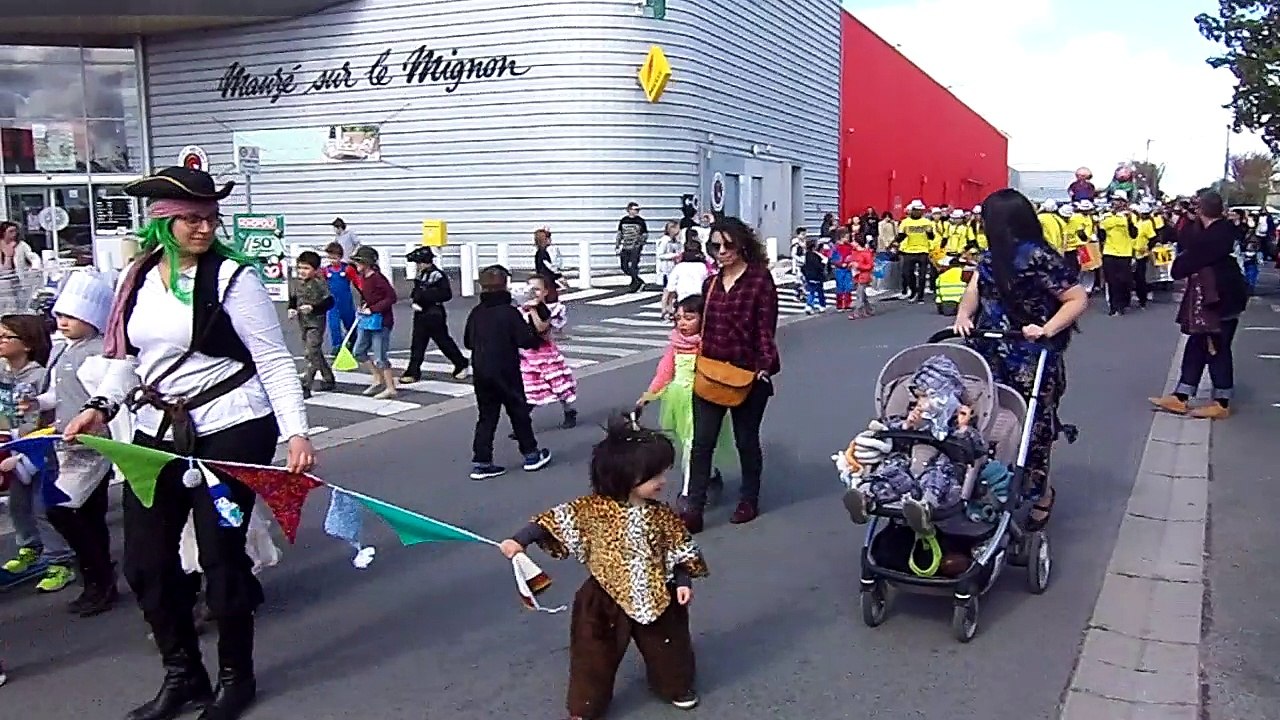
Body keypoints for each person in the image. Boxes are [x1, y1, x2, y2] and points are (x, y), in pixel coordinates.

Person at [62, 166, 316, 720]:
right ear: (161, 222)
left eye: (209, 218)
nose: (204, 228)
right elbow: (127, 362)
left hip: (233, 427)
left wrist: (296, 430)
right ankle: (183, 676)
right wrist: (99, 407)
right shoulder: (137, 277)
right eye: (190, 219)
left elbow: (272, 359)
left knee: (222, 557)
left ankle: (235, 678)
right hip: (156, 433)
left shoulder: (233, 278)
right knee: (146, 564)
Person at [498, 416, 708, 719]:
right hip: (604, 593)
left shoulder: (663, 515)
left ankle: (675, 685)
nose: (662, 481)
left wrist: (684, 579)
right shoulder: (591, 510)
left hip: (657, 591)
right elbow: (551, 522)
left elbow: (679, 549)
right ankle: (587, 703)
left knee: (669, 645)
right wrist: (519, 541)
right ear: (623, 477)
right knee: (593, 652)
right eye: (653, 476)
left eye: (663, 472)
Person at [953, 188, 1088, 531]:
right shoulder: (989, 257)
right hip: (991, 351)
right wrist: (964, 316)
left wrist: (1045, 328)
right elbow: (974, 290)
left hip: (1032, 356)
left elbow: (1076, 298)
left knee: (1034, 426)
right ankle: (991, 485)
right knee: (986, 421)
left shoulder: (1039, 256)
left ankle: (1040, 493)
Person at [680, 217, 780, 533]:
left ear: (741, 244)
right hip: (710, 370)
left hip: (747, 374)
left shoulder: (759, 280)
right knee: (701, 443)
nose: (721, 252)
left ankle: (748, 499)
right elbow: (704, 326)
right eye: (715, 246)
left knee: (746, 441)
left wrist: (763, 368)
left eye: (728, 245)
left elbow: (766, 328)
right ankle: (693, 509)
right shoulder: (709, 284)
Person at [37, 271, 121, 615]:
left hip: (94, 447)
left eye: (72, 316)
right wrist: (39, 403)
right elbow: (61, 394)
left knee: (62, 510)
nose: (63, 322)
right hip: (66, 444)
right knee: (88, 516)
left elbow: (109, 396)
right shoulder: (64, 351)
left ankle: (98, 575)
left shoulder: (102, 353)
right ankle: (99, 579)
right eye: (60, 316)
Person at [1149, 190, 1249, 420]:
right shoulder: (1223, 230)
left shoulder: (1214, 237)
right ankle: (1182, 395)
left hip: (1218, 298)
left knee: (1217, 346)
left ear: (1201, 209)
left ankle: (1221, 401)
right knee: (1197, 344)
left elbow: (1182, 265)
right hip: (1225, 294)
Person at [0, 313, 74, 593]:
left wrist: (20, 454)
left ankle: (60, 559)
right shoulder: (4, 373)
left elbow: (43, 418)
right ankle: (29, 547)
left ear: (27, 343)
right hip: (12, 445)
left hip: (37, 449)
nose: (1, 341)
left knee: (42, 506)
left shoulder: (38, 376)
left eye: (8, 336)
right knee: (18, 504)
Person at [637, 294, 733, 500]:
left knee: (693, 444)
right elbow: (664, 372)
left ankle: (689, 492)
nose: (682, 323)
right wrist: (648, 395)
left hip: (704, 398)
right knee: (691, 443)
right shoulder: (675, 345)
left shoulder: (708, 344)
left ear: (703, 318)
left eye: (689, 318)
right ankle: (710, 473)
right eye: (679, 318)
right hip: (679, 399)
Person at [464, 265, 553, 480]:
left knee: (486, 416)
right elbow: (526, 340)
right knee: (518, 412)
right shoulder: (509, 312)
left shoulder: (477, 312)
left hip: (481, 370)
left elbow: (467, 341)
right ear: (504, 285)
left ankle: (482, 461)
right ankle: (531, 454)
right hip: (506, 369)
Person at [401, 246, 468, 383]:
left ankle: (460, 362)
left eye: (419, 263)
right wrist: (415, 298)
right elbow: (416, 290)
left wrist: (425, 297)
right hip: (420, 312)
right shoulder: (421, 275)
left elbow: (446, 294)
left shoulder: (438, 276)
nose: (418, 266)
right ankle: (413, 370)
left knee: (443, 341)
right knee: (417, 343)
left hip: (434, 312)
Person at [518, 275, 578, 429]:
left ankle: (569, 411)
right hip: (528, 354)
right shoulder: (521, 310)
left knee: (558, 385)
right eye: (530, 289)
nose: (533, 293)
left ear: (545, 292)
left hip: (546, 354)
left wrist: (533, 309)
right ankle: (522, 423)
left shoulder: (548, 309)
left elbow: (542, 329)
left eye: (537, 289)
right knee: (529, 388)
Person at [349, 245, 398, 400]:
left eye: (358, 262)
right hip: (367, 319)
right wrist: (364, 306)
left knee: (380, 356)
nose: (356, 265)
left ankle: (390, 387)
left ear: (366, 263)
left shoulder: (378, 278)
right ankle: (378, 378)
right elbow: (368, 295)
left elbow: (391, 297)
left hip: (381, 321)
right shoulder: (364, 278)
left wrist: (374, 308)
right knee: (359, 351)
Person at [287, 251, 335, 399]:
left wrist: (314, 307)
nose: (302, 271)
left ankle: (306, 385)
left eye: (306, 268)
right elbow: (294, 297)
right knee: (315, 352)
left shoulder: (319, 283)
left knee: (311, 352)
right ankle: (328, 378)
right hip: (303, 321)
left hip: (316, 322)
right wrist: (292, 308)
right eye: (300, 268)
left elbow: (329, 301)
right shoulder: (296, 282)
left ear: (315, 270)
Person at [321, 242, 360, 356]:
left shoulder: (347, 269)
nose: (333, 260)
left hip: (346, 302)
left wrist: (365, 296)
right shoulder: (326, 271)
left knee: (350, 323)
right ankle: (337, 346)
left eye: (335, 258)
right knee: (334, 325)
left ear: (340, 256)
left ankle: (353, 342)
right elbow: (321, 285)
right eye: (330, 258)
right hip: (332, 303)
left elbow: (358, 283)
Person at [615, 202, 648, 292]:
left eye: (637, 210)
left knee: (633, 266)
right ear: (629, 210)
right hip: (625, 246)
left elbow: (645, 234)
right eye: (634, 209)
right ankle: (638, 281)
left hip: (635, 247)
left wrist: (639, 244)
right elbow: (619, 234)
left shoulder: (640, 221)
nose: (636, 211)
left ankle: (635, 283)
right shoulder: (623, 220)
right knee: (624, 266)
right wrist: (617, 245)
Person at [656, 221, 683, 291]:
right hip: (666, 268)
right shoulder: (664, 241)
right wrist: (674, 255)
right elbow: (660, 255)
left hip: (673, 266)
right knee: (667, 288)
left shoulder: (675, 241)